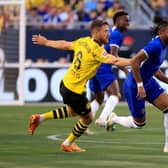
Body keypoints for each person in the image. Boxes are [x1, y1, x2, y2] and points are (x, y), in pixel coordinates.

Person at [28, 20, 131, 152]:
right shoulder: (97, 50)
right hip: (75, 92)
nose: (108, 34)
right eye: (105, 31)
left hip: (65, 84)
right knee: (88, 118)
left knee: (74, 111)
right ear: (95, 32)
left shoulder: (83, 41)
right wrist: (135, 61)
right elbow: (115, 60)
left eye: (109, 31)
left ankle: (39, 118)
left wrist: (47, 42)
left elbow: (65, 44)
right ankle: (68, 143)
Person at [106, 20, 168, 152]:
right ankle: (114, 118)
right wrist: (140, 85)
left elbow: (154, 70)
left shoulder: (163, 45)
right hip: (134, 85)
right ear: (162, 32)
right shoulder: (155, 45)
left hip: (149, 82)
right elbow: (135, 61)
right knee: (139, 123)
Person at [89, 10, 129, 128]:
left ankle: (83, 124)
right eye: (125, 21)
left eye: (128, 21)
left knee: (99, 98)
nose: (128, 23)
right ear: (117, 21)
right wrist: (126, 70)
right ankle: (102, 119)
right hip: (103, 67)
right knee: (115, 95)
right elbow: (114, 57)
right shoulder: (116, 35)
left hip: (94, 67)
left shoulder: (110, 32)